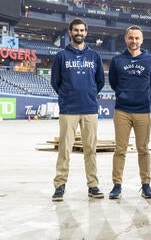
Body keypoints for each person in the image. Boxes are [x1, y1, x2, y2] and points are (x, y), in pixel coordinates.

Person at [51, 18, 105, 201]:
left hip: (89, 108)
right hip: (68, 109)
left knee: (90, 149)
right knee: (64, 149)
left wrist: (89, 93)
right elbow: (55, 82)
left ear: (86, 33)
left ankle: (93, 185)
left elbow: (100, 81)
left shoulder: (94, 56)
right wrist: (67, 95)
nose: (79, 33)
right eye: (76, 30)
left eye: (82, 30)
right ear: (70, 32)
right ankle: (60, 186)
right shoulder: (61, 56)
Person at [108, 25, 151, 200]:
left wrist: (142, 96)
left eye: (137, 38)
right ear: (126, 39)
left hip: (143, 110)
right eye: (131, 38)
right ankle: (117, 185)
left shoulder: (150, 60)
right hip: (122, 110)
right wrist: (125, 94)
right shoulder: (117, 61)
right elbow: (114, 83)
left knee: (143, 149)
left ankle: (146, 185)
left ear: (142, 40)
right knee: (120, 149)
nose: (134, 41)